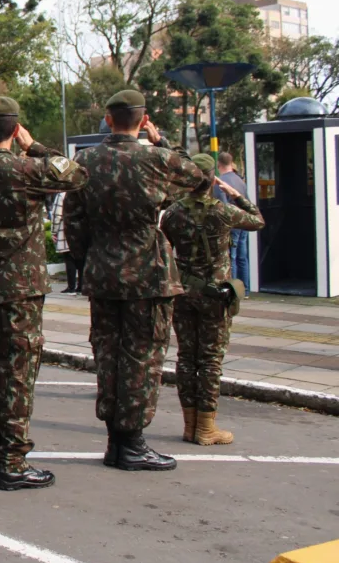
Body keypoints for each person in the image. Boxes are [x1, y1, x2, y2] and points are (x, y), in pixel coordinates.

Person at [64, 90, 206, 472]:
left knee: (107, 353)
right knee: (142, 356)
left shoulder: (86, 160)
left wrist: (86, 257)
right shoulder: (157, 159)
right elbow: (199, 177)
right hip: (147, 274)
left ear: (108, 120)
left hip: (103, 272)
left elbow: (72, 217)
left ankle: (116, 438)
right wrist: (164, 142)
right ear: (143, 121)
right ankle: (131, 442)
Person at [0, 98, 88, 491]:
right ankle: (11, 463)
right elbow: (76, 172)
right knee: (16, 374)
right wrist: (36, 147)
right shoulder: (30, 169)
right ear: (15, 131)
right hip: (21, 291)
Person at [161, 154, 264, 445]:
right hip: (214, 296)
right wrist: (235, 195)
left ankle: (189, 424)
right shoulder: (223, 211)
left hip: (183, 294)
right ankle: (206, 428)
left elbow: (164, 241)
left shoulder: (173, 213)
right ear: (211, 182)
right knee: (209, 361)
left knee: (185, 358)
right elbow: (258, 221)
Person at [213, 152, 252, 292]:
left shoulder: (220, 182)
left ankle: (235, 290)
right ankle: (246, 289)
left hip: (232, 223)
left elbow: (222, 206)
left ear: (219, 164)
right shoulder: (240, 180)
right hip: (243, 221)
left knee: (231, 257)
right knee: (242, 256)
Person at [50, 191, 83, 295]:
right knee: (81, 260)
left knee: (69, 259)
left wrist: (54, 231)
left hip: (66, 229)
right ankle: (81, 286)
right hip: (81, 229)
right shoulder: (83, 191)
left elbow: (57, 214)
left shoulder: (62, 194)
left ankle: (71, 286)